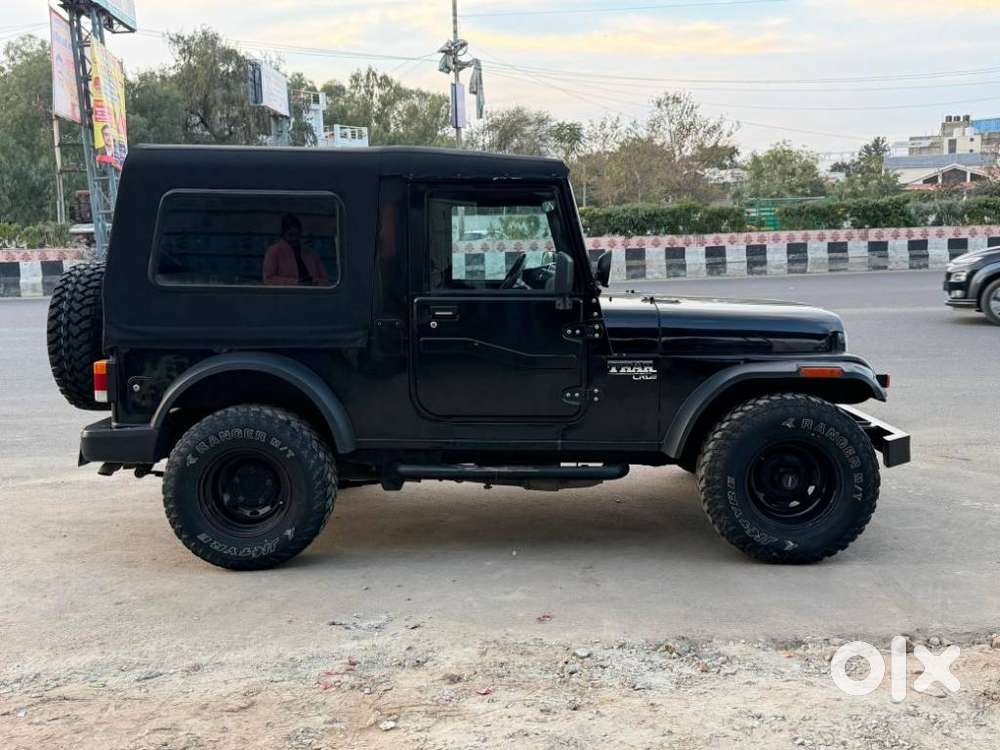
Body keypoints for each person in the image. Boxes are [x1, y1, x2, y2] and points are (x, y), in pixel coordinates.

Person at [262, 214, 330, 286]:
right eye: (290, 235)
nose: (294, 239)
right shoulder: (273, 252)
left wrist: (315, 282)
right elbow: (268, 279)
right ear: (283, 234)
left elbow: (325, 280)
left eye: (297, 235)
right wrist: (295, 283)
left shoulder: (310, 253)